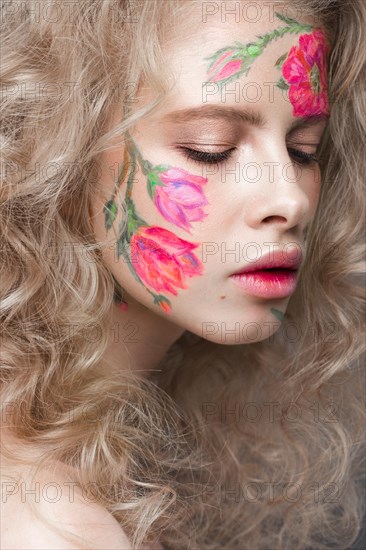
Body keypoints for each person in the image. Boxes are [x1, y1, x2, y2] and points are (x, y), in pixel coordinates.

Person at [1, 0, 365, 548]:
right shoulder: (52, 530)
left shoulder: (97, 448)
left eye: (303, 150)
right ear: (53, 156)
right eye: (210, 149)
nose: (289, 197)